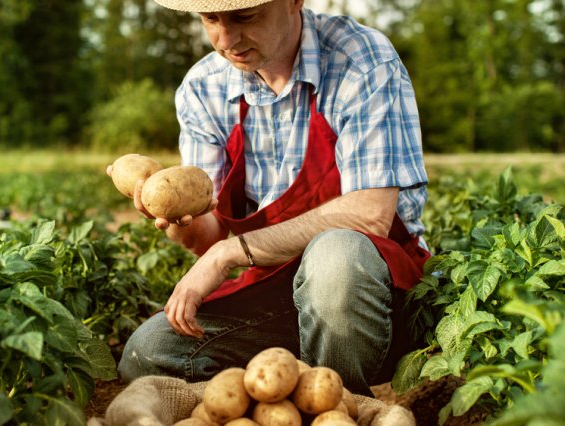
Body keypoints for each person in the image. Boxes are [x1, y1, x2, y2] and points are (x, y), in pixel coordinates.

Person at [110, 0, 430, 396]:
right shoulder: (202, 87)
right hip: (275, 290)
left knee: (335, 257)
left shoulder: (360, 61)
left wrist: (230, 253)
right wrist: (178, 219)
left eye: (245, 17)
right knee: (151, 352)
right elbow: (207, 236)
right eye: (211, 19)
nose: (226, 40)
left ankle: (336, 403)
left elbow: (369, 216)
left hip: (374, 294)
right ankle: (281, 391)